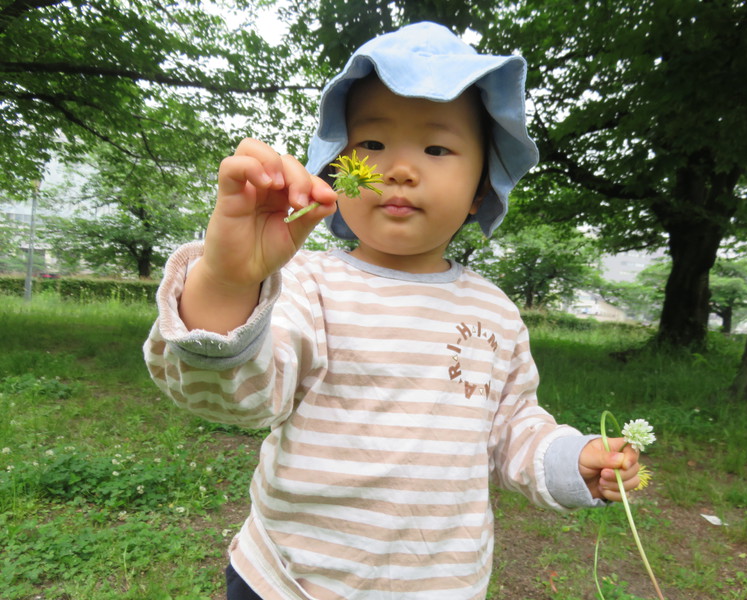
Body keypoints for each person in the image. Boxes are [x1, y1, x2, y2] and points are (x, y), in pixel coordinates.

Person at [144, 21, 642, 600]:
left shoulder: (495, 313)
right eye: (372, 146)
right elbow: (239, 397)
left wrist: (569, 457)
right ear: (335, 170)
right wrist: (229, 281)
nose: (399, 169)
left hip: (438, 583)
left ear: (482, 188)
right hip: (287, 578)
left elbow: (511, 428)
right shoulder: (307, 284)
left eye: (436, 148)